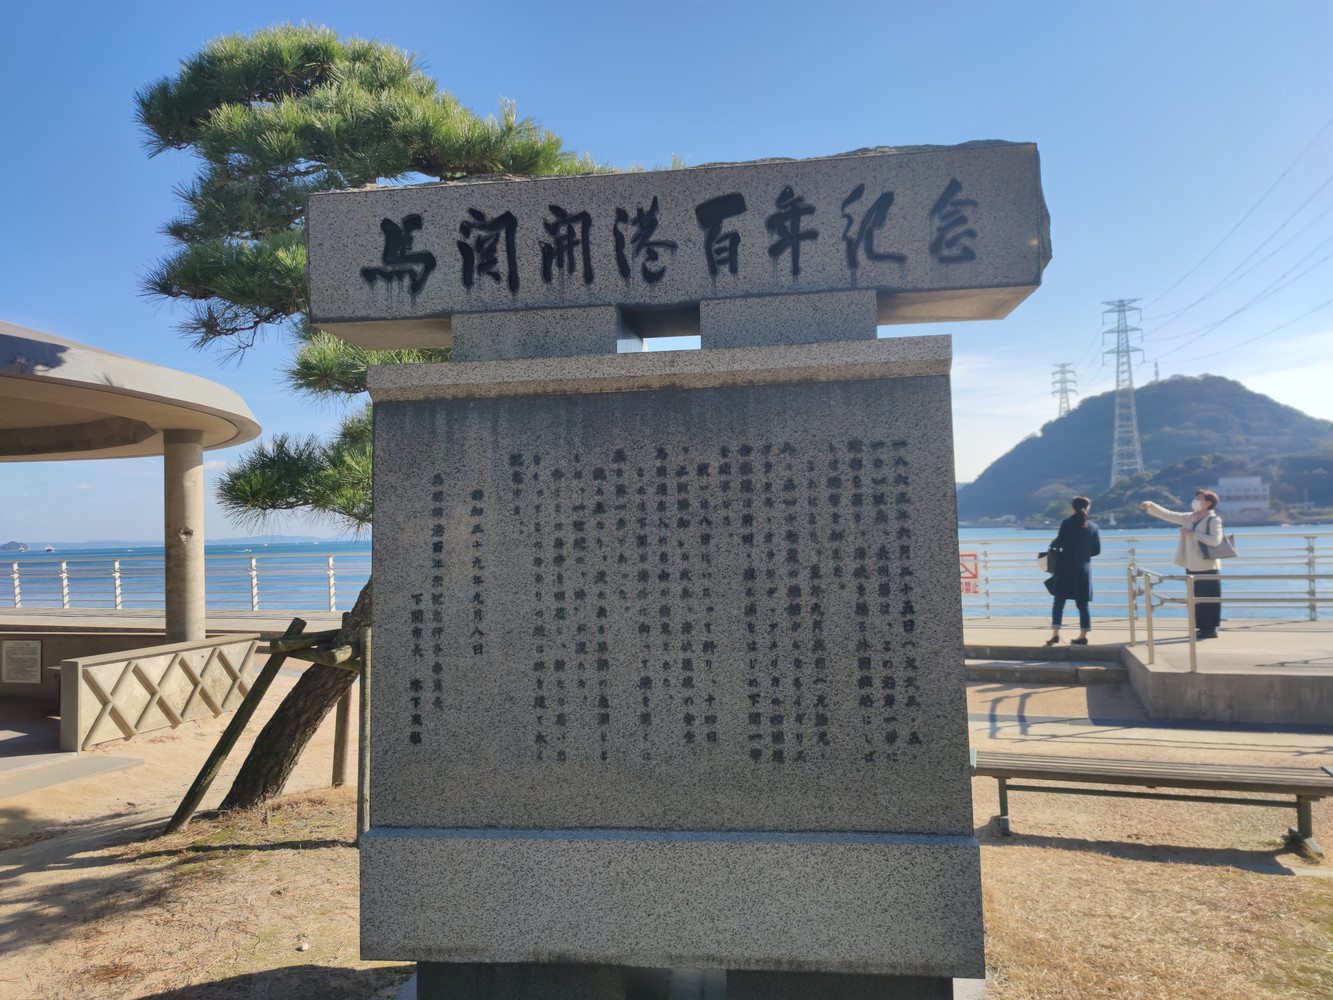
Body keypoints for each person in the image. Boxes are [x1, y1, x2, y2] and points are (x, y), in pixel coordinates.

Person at [1140, 490, 1225, 639]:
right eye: (1196, 498)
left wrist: (1193, 533)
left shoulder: (1213, 519)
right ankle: (1202, 627)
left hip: (1207, 565)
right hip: (1192, 564)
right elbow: (1169, 515)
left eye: (1199, 498)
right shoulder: (1190, 517)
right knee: (1196, 598)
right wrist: (1151, 505)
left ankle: (1211, 628)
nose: (1195, 501)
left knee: (1209, 598)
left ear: (1208, 503)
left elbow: (1215, 540)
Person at [1046, 496, 1101, 645]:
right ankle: (1083, 635)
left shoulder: (1067, 523)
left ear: (1072, 507)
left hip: (1065, 568)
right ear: (1088, 508)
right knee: (1083, 604)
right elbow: (1096, 550)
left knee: (1059, 602)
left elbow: (1057, 544)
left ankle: (1055, 634)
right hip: (1084, 569)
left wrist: (1055, 539)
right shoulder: (1094, 527)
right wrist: (1083, 554)